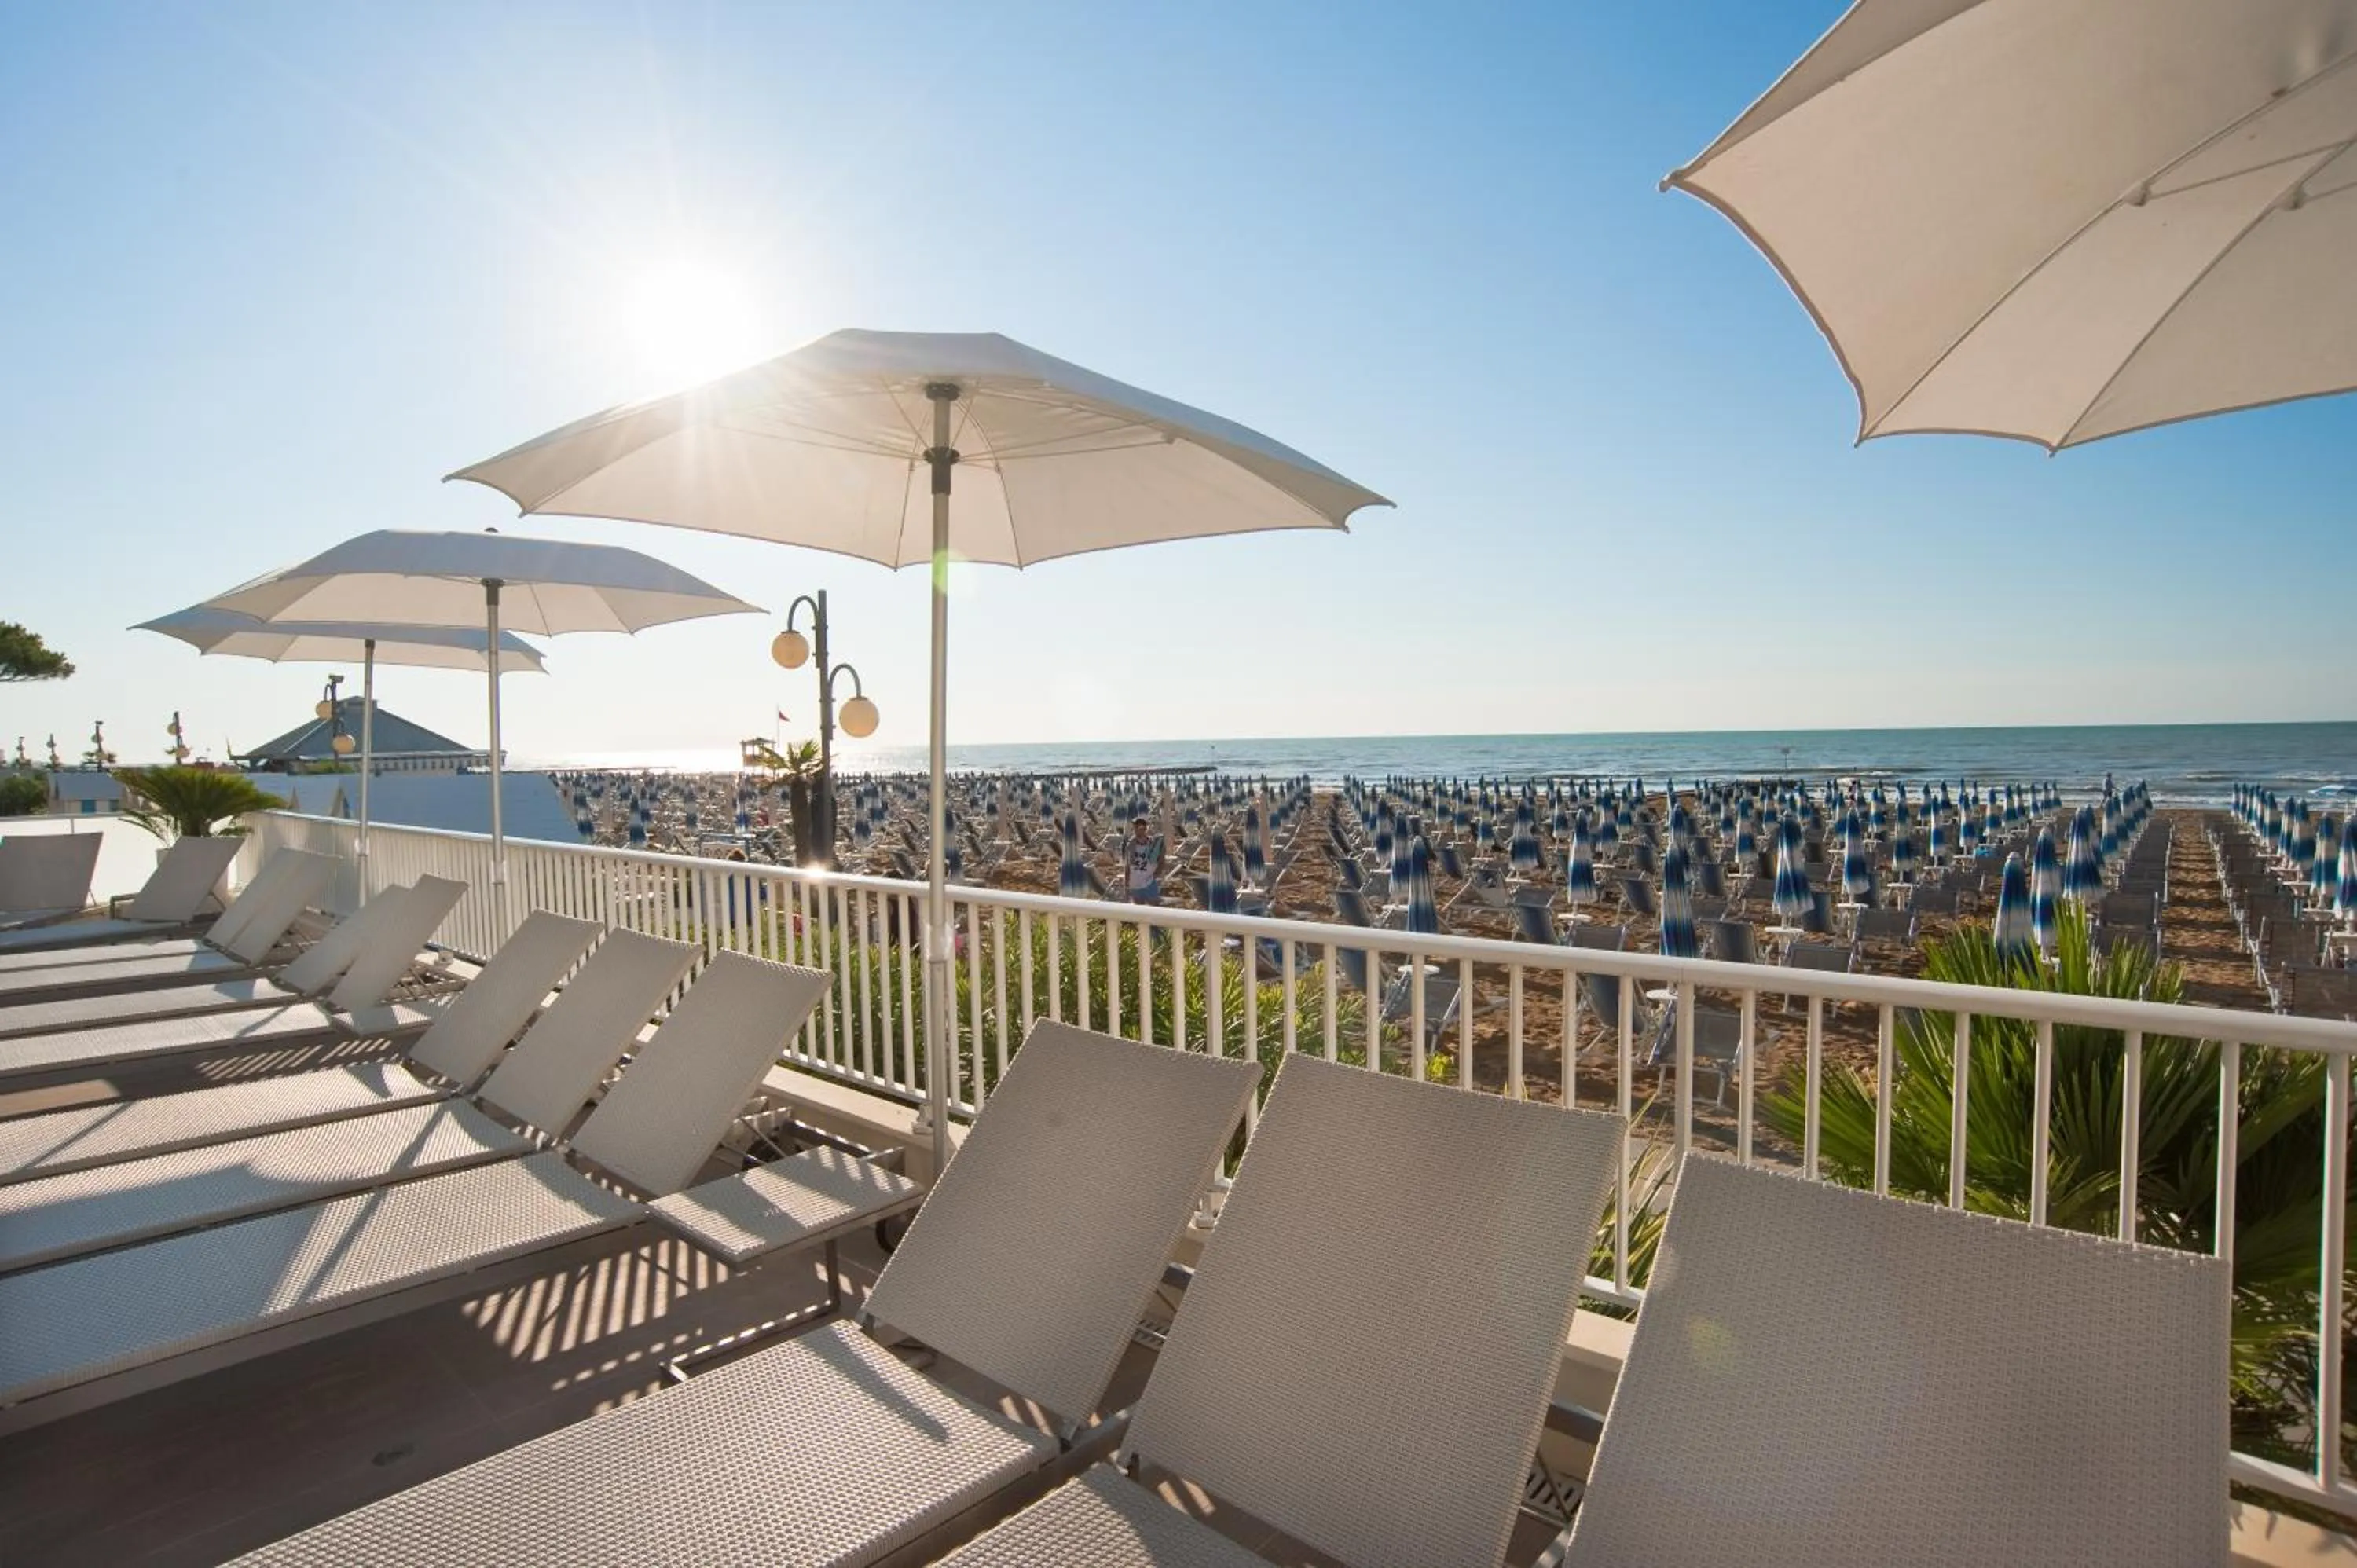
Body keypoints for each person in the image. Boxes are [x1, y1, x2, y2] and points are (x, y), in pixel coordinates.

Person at [1124, 814, 1165, 905]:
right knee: (1139, 911)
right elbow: (1127, 866)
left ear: (1144, 828)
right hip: (1134, 884)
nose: (1135, 830)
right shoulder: (1130, 845)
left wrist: (1154, 876)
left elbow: (1162, 862)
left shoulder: (1153, 844)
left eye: (1138, 827)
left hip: (1149, 883)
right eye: (1134, 827)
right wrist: (1126, 886)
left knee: (1155, 908)